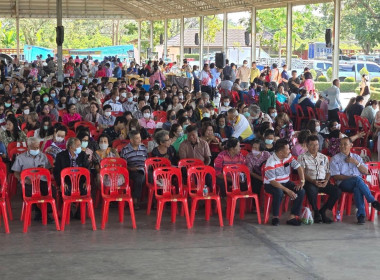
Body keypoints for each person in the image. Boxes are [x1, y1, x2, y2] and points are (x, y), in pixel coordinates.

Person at [330, 137, 380, 224]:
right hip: (343, 184)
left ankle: (361, 216)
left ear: (351, 145)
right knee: (357, 179)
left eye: (345, 144)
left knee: (357, 188)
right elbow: (336, 176)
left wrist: (355, 162)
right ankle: (372, 201)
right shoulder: (335, 158)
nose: (342, 146)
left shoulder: (356, 157)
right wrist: (351, 178)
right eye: (341, 144)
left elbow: (366, 171)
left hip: (357, 183)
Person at [298, 135, 342, 224]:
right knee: (311, 190)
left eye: (317, 145)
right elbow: (302, 173)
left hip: (323, 181)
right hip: (310, 181)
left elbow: (328, 171)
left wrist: (326, 180)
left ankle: (323, 210)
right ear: (307, 145)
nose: (315, 147)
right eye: (312, 145)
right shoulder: (302, 157)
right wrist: (313, 181)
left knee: (337, 191)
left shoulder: (324, 157)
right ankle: (316, 212)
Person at [264, 139, 305, 226]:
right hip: (271, 184)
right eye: (287, 149)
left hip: (285, 182)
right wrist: (287, 190)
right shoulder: (271, 162)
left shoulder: (288, 156)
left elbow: (298, 167)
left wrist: (302, 181)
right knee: (279, 192)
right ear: (280, 152)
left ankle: (292, 216)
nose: (289, 151)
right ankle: (275, 217)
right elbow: (273, 182)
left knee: (301, 190)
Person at [12, 137, 53, 221]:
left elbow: (49, 169)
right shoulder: (21, 157)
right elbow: (16, 173)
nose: (36, 149)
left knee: (51, 191)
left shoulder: (43, 156)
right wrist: (23, 179)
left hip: (41, 179)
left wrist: (44, 170)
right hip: (28, 181)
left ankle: (45, 213)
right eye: (34, 147)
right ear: (28, 146)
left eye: (37, 147)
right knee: (30, 193)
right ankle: (37, 211)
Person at [120, 130, 147, 208]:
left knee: (153, 177)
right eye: (137, 138)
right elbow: (123, 165)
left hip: (143, 169)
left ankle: (155, 200)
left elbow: (147, 160)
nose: (139, 140)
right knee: (139, 178)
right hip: (132, 170)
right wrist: (131, 168)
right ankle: (135, 199)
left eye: (139, 137)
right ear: (131, 140)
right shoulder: (125, 150)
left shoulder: (143, 147)